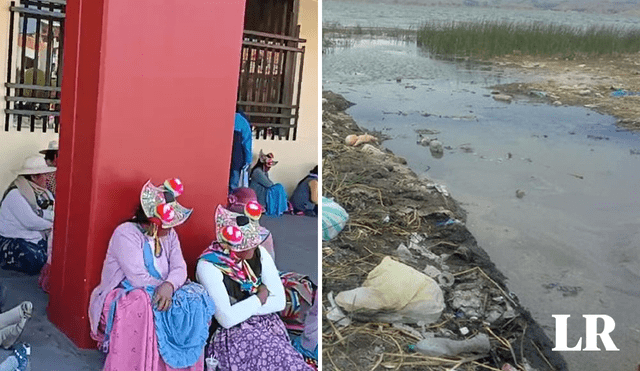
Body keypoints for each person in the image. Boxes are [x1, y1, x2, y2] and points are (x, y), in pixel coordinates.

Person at [88, 178, 215, 371]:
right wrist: (164, 289)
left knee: (197, 297)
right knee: (144, 302)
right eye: (167, 223)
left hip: (164, 288)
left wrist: (169, 286)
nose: (172, 228)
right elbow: (137, 278)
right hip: (124, 293)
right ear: (153, 222)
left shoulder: (169, 235)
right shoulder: (126, 233)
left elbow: (180, 267)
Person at [196, 203, 312, 371]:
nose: (253, 246)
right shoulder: (208, 266)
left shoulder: (259, 253)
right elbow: (226, 319)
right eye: (246, 244)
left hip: (268, 326)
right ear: (228, 246)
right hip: (233, 336)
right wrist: (259, 298)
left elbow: (279, 301)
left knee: (286, 360)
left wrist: (242, 309)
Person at [0, 156, 55, 275]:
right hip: (16, 242)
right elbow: (31, 222)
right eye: (44, 175)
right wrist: (53, 225)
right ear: (34, 177)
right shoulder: (15, 194)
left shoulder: (44, 193)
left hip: (35, 240)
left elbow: (52, 211)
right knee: (40, 261)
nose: (47, 178)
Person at [249, 150, 288, 216]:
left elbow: (270, 183)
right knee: (278, 187)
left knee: (279, 187)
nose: (269, 168)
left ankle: (281, 208)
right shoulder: (257, 171)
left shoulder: (264, 172)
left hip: (263, 191)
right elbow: (269, 184)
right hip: (258, 193)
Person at [229, 110, 253, 192]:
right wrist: (248, 161)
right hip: (237, 160)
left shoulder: (225, 117)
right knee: (234, 187)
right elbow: (247, 145)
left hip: (221, 160)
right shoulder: (243, 122)